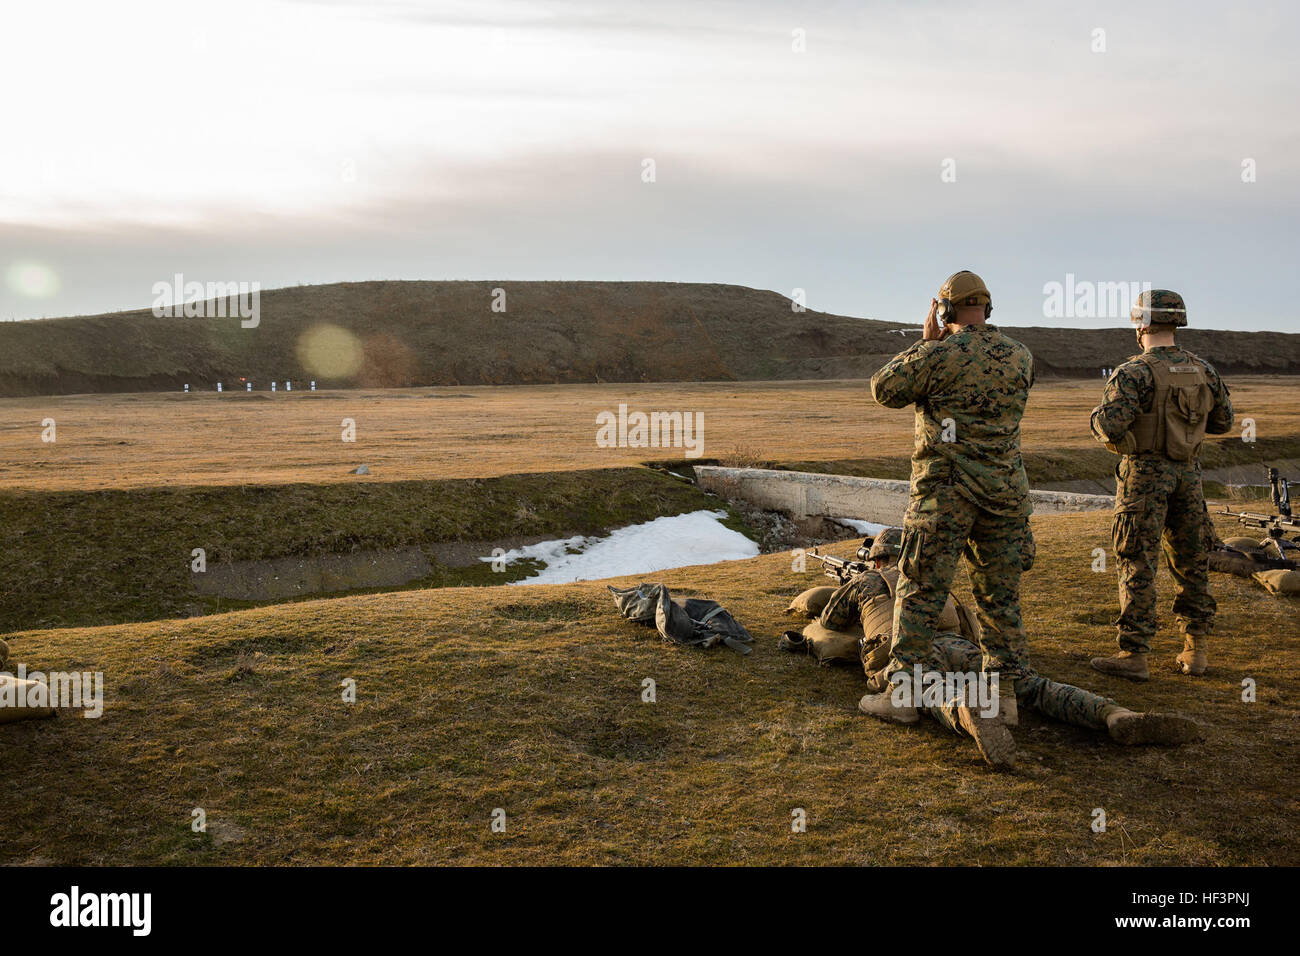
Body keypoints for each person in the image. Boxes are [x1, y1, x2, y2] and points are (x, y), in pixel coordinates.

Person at [862, 271, 1036, 730]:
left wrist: (925, 343)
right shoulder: (1020, 356)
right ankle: (1005, 699)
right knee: (1001, 599)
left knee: (919, 592)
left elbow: (884, 388)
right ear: (988, 308)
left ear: (944, 310)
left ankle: (903, 696)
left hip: (945, 495)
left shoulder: (937, 354)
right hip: (1004, 496)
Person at [1089, 290, 1234, 681]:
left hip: (1144, 479)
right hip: (1189, 476)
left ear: (1141, 325)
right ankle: (1195, 650)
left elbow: (1109, 425)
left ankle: (1134, 654)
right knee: (1192, 562)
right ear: (1177, 322)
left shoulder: (1133, 372)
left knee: (1136, 561)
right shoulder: (1203, 369)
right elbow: (1224, 422)